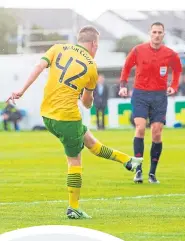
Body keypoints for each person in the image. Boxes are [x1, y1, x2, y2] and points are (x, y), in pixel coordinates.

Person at [7, 26, 143, 219]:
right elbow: (87, 103)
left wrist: (21, 90)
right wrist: (90, 100)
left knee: (90, 142)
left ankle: (128, 161)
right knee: (75, 161)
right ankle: (73, 208)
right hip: (68, 117)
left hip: (47, 115)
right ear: (94, 44)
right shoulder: (91, 67)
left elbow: (38, 67)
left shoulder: (58, 48)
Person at [119, 22, 182, 184]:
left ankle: (152, 173)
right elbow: (126, 67)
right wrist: (123, 85)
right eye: (154, 32)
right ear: (150, 33)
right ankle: (138, 170)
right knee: (140, 128)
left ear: (163, 34)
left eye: (160, 32)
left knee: (156, 132)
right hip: (140, 94)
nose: (157, 35)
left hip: (159, 96)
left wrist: (174, 86)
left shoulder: (170, 54)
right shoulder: (138, 50)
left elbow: (177, 70)